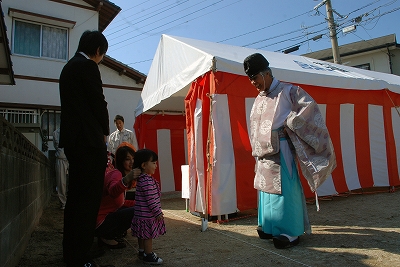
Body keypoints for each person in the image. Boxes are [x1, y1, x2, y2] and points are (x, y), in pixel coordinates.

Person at [243, 53, 336, 249]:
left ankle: (290, 231)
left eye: (255, 78)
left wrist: (291, 121)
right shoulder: (259, 98)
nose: (253, 82)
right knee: (266, 189)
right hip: (263, 154)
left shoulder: (289, 90)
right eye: (250, 79)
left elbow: (310, 111)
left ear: (267, 73)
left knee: (284, 188)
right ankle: (269, 225)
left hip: (282, 147)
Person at [59, 30, 113, 267]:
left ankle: (74, 252)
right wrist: (104, 129)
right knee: (87, 202)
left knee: (76, 201)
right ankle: (80, 257)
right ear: (98, 50)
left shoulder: (69, 67)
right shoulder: (88, 66)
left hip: (74, 142)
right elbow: (98, 102)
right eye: (103, 54)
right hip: (88, 143)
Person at [95, 143, 140, 249]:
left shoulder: (120, 175)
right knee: (138, 210)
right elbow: (113, 191)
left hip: (105, 217)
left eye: (133, 158)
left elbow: (121, 202)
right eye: (127, 159)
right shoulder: (116, 174)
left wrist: (138, 203)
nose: (132, 162)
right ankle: (107, 237)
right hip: (100, 222)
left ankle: (112, 234)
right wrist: (126, 179)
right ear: (120, 161)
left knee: (139, 203)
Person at [131, 149, 165, 264]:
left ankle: (142, 251)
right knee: (147, 236)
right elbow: (151, 199)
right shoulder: (146, 181)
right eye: (154, 163)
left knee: (141, 234)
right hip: (147, 215)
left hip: (140, 214)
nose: (156, 166)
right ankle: (148, 254)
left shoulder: (142, 179)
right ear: (144, 165)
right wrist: (157, 212)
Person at [53, 127, 69, 210]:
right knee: (61, 182)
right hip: (61, 158)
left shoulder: (72, 130)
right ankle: (63, 203)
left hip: (72, 157)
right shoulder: (56, 133)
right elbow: (56, 146)